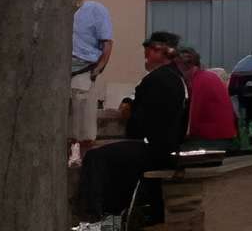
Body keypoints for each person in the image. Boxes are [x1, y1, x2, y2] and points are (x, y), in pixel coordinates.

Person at [75, 31, 190, 224]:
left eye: (150, 51)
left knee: (96, 157)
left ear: (161, 53)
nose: (146, 56)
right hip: (169, 150)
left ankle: (93, 216)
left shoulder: (156, 80)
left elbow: (139, 126)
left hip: (153, 151)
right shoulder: (176, 78)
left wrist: (130, 112)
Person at [71, 0, 114, 141]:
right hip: (59, 74)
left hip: (83, 71)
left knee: (82, 130)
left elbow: (107, 42)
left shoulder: (93, 9)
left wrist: (97, 69)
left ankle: (79, 160)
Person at [176, 47, 237, 150]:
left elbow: (191, 119)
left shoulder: (198, 82)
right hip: (224, 137)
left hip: (210, 140)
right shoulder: (209, 76)